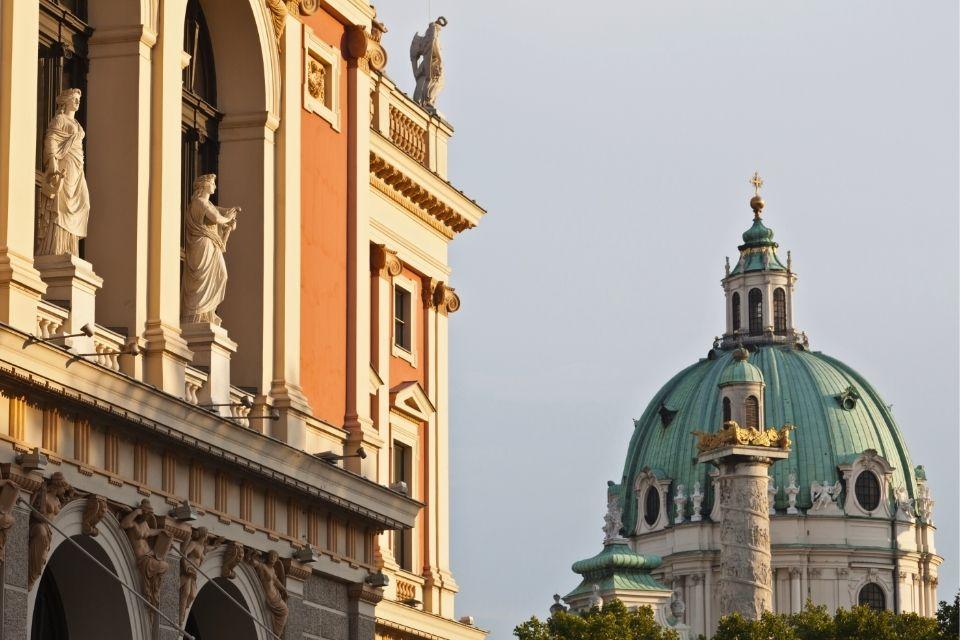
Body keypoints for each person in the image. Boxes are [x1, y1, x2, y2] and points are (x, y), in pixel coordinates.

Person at [181, 174, 240, 325]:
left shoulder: (208, 204)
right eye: (212, 183)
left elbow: (220, 211)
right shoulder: (199, 203)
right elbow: (217, 218)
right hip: (203, 245)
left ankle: (207, 312)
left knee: (221, 275)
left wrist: (231, 213)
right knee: (203, 278)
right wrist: (228, 219)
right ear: (204, 185)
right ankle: (197, 313)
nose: (214, 186)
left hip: (211, 244)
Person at [38, 88, 90, 257]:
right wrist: (52, 162)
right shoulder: (59, 119)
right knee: (63, 202)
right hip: (65, 164)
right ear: (65, 101)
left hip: (77, 166)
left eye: (78, 100)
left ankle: (71, 246)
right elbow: (51, 139)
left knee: (83, 203)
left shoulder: (77, 124)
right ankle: (57, 246)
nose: (77, 102)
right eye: (74, 99)